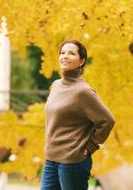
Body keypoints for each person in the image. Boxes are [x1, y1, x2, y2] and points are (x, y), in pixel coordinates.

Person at [40, 40, 115, 190]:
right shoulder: (55, 85)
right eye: (62, 53)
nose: (65, 56)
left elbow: (107, 120)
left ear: (81, 61)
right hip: (51, 159)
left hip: (72, 161)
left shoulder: (83, 91)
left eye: (71, 53)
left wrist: (91, 145)